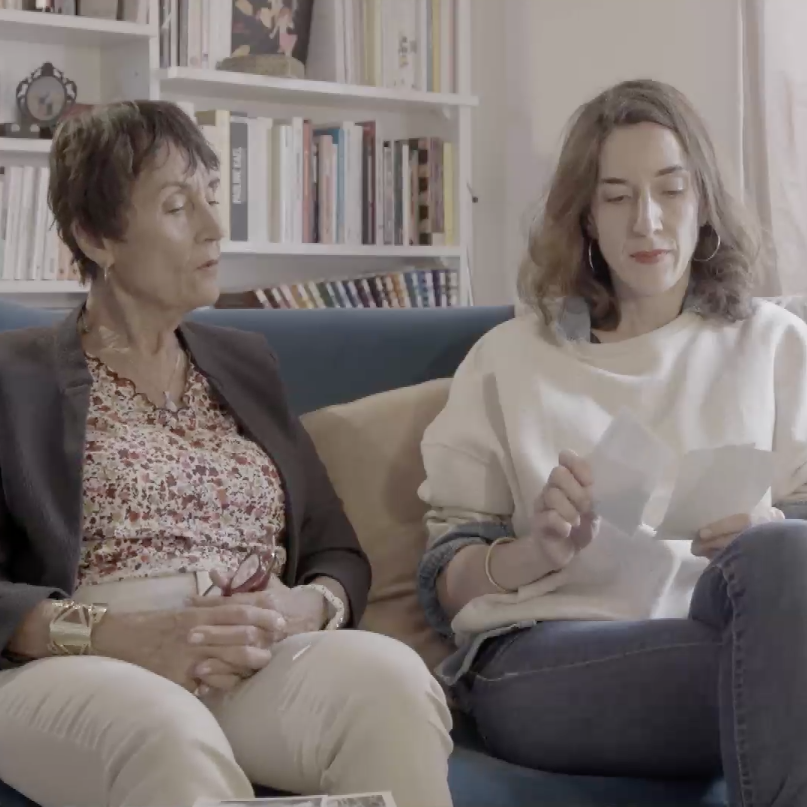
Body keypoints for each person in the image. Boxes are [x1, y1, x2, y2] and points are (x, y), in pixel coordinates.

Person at [0, 100, 453, 807]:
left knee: (391, 685)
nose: (215, 226)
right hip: (76, 661)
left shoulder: (245, 362)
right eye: (178, 206)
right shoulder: (14, 375)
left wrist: (305, 607)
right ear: (95, 236)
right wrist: (128, 635)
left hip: (252, 651)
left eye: (212, 194)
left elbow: (337, 553)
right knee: (168, 734)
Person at [416, 78, 807, 807]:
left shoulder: (774, 345)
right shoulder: (513, 357)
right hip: (544, 655)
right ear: (587, 218)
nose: (646, 221)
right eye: (617, 197)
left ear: (703, 203)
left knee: (786, 562)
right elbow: (443, 580)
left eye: (670, 191)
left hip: (732, 628)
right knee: (781, 672)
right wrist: (535, 551)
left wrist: (772, 529)